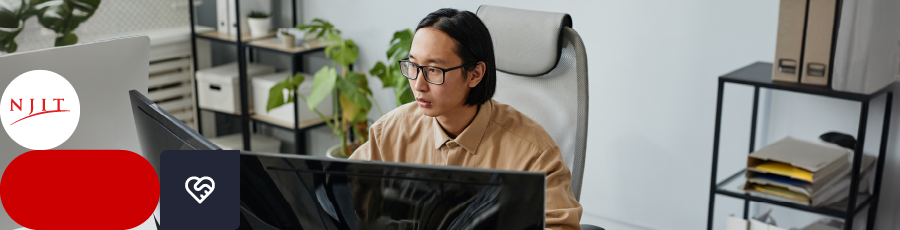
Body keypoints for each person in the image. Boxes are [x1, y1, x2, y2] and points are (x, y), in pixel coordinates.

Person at [350, 8, 582, 230]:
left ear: (475, 74)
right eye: (413, 66)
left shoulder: (533, 153)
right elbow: (346, 199)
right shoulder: (390, 131)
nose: (418, 85)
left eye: (433, 70)